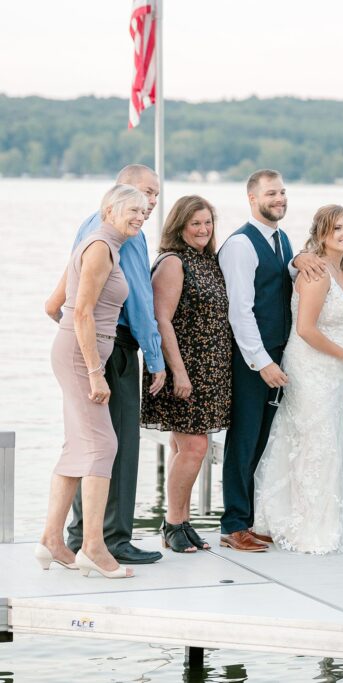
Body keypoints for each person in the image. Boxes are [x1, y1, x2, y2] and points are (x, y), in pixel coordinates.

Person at [44, 164, 166, 566]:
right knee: (113, 445)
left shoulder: (94, 228)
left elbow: (57, 302)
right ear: (120, 194)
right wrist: (151, 355)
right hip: (110, 348)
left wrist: (76, 335)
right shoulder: (116, 237)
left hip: (93, 343)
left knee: (84, 443)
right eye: (145, 193)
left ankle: (74, 536)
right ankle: (110, 539)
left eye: (153, 196)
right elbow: (139, 304)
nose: (149, 203)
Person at [252, 205, 343, 554]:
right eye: (338, 228)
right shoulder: (317, 272)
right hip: (312, 364)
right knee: (312, 440)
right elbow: (304, 329)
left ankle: (324, 516)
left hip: (335, 369)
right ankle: (306, 525)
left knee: (329, 438)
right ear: (321, 235)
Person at [218, 169, 318, 552]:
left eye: (282, 192)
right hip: (251, 361)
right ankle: (233, 524)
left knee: (261, 440)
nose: (279, 198)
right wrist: (262, 362)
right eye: (271, 193)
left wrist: (300, 261)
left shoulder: (281, 239)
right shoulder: (241, 245)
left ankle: (246, 519)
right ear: (252, 198)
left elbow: (281, 276)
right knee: (243, 441)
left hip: (277, 354)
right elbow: (240, 313)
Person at [141, 195, 231, 553]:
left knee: (185, 445)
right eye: (195, 223)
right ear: (179, 225)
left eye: (207, 222)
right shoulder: (174, 262)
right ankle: (174, 522)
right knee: (195, 446)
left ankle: (181, 520)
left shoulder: (207, 260)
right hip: (185, 369)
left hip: (210, 370)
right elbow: (161, 319)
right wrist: (178, 372)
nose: (203, 229)